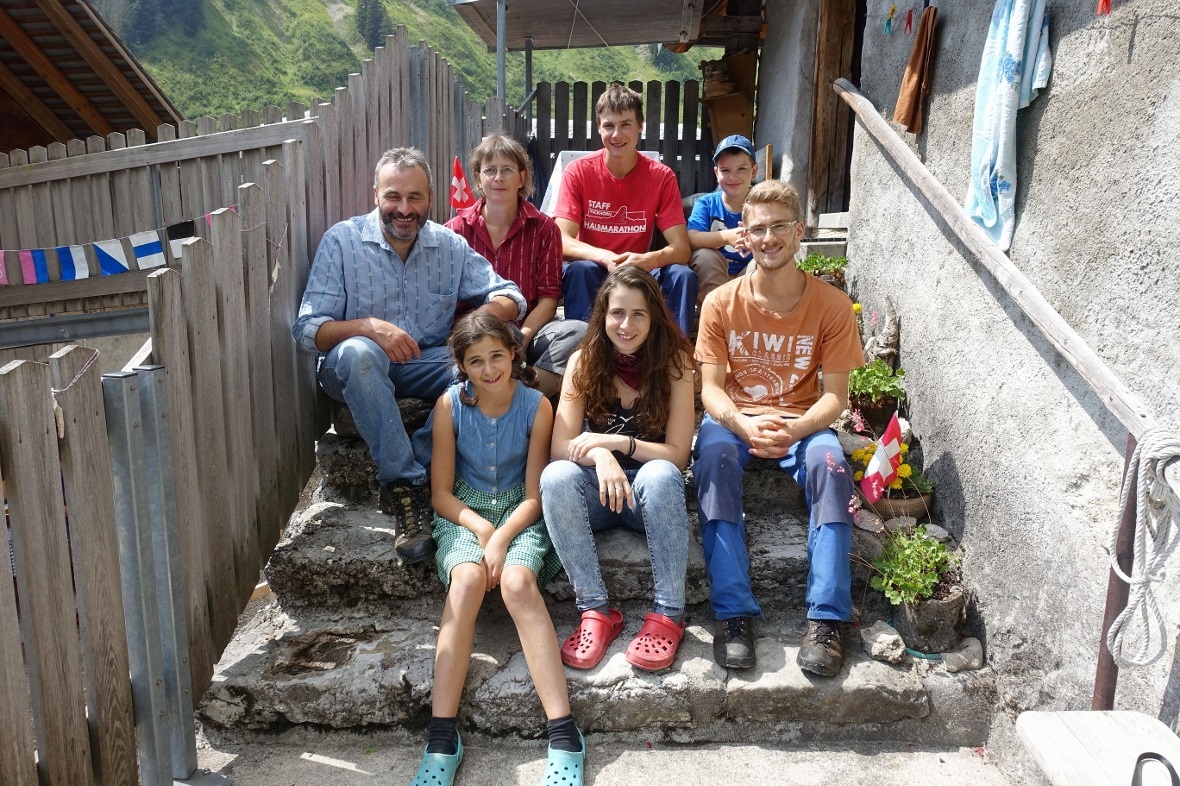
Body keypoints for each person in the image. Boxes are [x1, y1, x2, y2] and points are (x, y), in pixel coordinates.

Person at [293, 147, 526, 565]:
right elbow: (309, 330)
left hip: (424, 363)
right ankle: (403, 486)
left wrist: (476, 324)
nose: (404, 209)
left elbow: (511, 295)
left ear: (430, 198)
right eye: (393, 197)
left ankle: (420, 460)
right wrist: (367, 326)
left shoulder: (449, 246)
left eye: (415, 197)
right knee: (359, 354)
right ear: (376, 194)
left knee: (481, 365)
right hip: (353, 369)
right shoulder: (342, 241)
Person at [693, 180, 865, 676]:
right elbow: (711, 390)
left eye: (779, 228)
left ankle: (827, 619)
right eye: (758, 228)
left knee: (832, 467)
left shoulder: (831, 306)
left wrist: (794, 430)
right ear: (744, 234)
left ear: (799, 232)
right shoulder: (721, 303)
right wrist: (743, 424)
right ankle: (734, 615)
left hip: (803, 421)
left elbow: (836, 397)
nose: (768, 238)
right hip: (735, 418)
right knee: (715, 459)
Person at [412, 312, 583, 786]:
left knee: (518, 582)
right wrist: (482, 531)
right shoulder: (450, 406)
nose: (489, 370)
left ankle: (564, 730)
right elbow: (441, 493)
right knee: (466, 580)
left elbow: (534, 496)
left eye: (496, 357)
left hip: (519, 514)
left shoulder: (536, 406)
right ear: (462, 367)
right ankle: (442, 734)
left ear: (513, 354)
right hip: (464, 512)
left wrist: (502, 536)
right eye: (475, 362)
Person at [540, 265, 695, 672]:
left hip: (650, 501)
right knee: (556, 477)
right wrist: (601, 457)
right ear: (603, 315)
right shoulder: (583, 361)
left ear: (654, 317)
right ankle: (595, 611)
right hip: (597, 496)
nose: (625, 325)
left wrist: (618, 443)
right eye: (617, 313)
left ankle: (669, 613)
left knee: (661, 473)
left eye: (638, 314)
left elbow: (678, 455)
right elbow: (559, 448)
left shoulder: (676, 362)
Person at [446, 133, 586, 397]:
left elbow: (548, 299)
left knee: (577, 332)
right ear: (478, 177)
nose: (498, 178)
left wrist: (522, 337)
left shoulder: (545, 229)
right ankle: (516, 393)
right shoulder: (454, 231)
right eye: (490, 170)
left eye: (508, 170)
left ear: (522, 177)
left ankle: (517, 392)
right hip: (474, 339)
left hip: (527, 333)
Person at [553, 82, 698, 336]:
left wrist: (648, 259)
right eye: (609, 125)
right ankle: (582, 354)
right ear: (599, 128)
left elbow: (682, 249)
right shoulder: (578, 171)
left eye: (625, 124)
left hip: (640, 270)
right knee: (579, 269)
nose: (616, 135)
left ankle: (677, 358)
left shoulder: (661, 176)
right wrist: (603, 256)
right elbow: (560, 240)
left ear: (640, 126)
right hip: (595, 270)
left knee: (682, 275)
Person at [687, 134, 758, 304]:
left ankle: (754, 320)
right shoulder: (706, 203)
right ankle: (715, 319)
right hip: (714, 280)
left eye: (741, 169)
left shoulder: (762, 204)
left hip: (748, 276)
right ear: (716, 172)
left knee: (765, 262)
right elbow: (692, 237)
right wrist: (727, 237)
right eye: (725, 170)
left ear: (754, 171)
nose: (733, 177)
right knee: (704, 256)